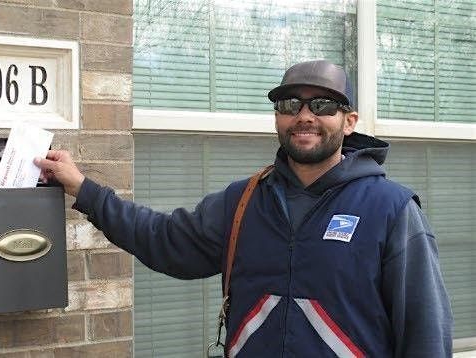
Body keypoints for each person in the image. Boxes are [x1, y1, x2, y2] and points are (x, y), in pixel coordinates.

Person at [34, 60, 453, 357]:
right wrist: (83, 188)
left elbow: (426, 332)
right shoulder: (244, 202)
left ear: (349, 120)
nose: (304, 116)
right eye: (290, 105)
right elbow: (163, 241)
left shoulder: (391, 208)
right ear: (276, 118)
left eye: (323, 105)